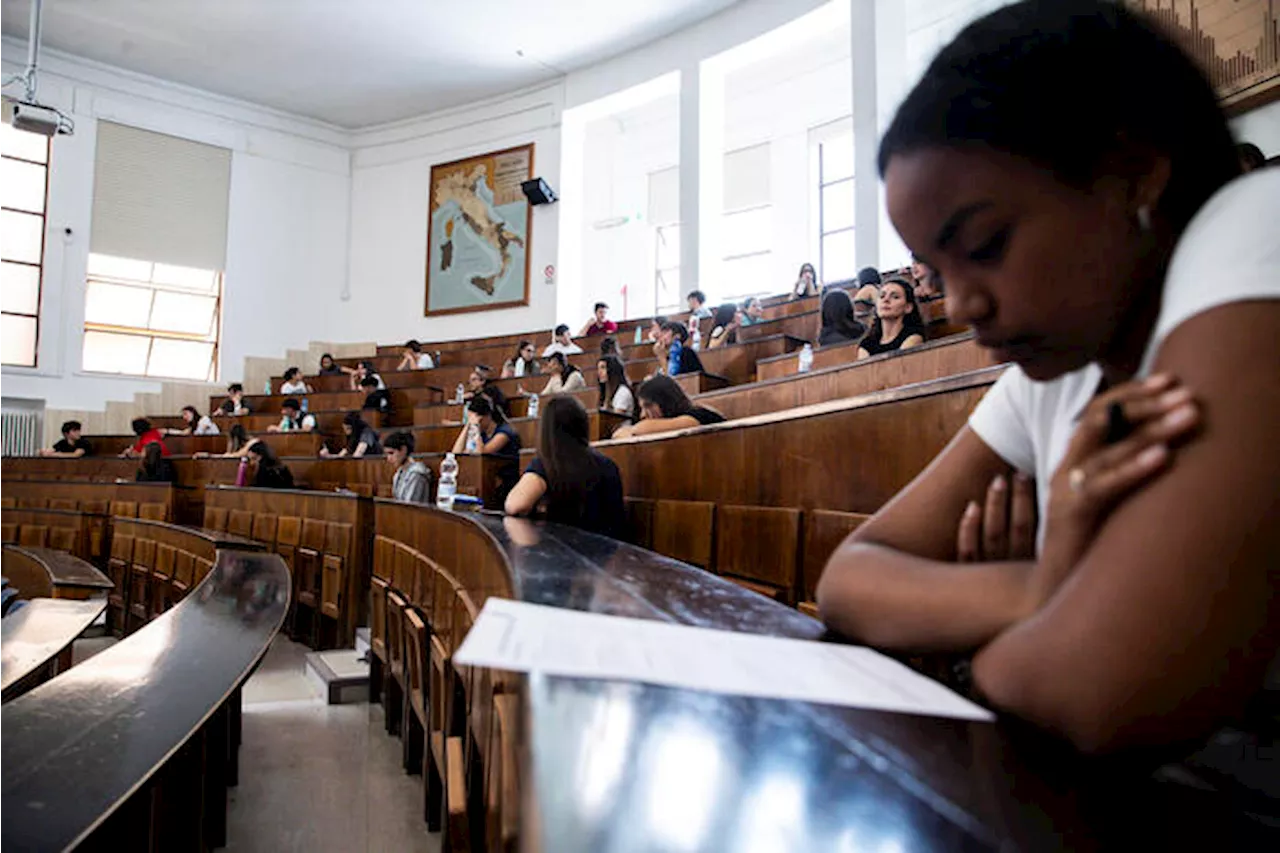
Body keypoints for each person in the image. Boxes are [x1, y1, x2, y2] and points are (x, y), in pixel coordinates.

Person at [816, 0, 1280, 766]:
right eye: (938, 272)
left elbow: (1109, 688)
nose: (962, 306)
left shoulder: (1256, 223)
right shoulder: (1064, 360)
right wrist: (1049, 585)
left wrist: (984, 649)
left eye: (987, 244)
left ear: (1132, 172)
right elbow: (851, 577)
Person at [505, 396, 626, 538]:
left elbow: (515, 505)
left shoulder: (548, 464)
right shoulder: (608, 465)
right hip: (602, 553)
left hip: (560, 551)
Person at [450, 395, 522, 502]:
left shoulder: (504, 433)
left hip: (506, 482)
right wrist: (467, 427)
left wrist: (475, 426)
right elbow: (456, 453)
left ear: (488, 417)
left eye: (479, 420)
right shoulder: (481, 435)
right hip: (489, 477)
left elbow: (482, 455)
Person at [613, 375, 725, 438]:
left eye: (648, 406)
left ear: (666, 400)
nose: (643, 415)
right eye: (642, 408)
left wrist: (631, 431)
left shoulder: (697, 416)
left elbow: (640, 429)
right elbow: (618, 434)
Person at [856, 277, 926, 359]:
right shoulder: (867, 344)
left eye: (895, 297)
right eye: (882, 296)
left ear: (908, 307)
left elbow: (899, 367)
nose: (886, 300)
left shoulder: (914, 338)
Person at [384, 431, 432, 504]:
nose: (388, 458)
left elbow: (410, 507)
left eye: (391, 453)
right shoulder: (398, 473)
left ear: (403, 450)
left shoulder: (417, 474)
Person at [193, 424, 259, 459]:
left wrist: (209, 456)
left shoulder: (253, 442)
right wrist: (207, 455)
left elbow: (233, 456)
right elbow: (227, 455)